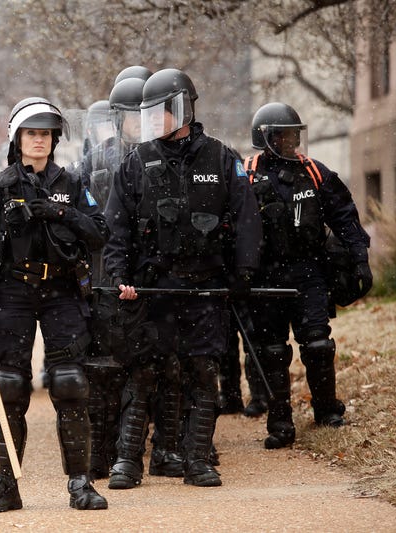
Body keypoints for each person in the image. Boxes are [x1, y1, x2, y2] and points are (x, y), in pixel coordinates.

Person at [104, 68, 263, 487]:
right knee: (144, 373)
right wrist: (119, 276)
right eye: (150, 112)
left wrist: (244, 272)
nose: (154, 120)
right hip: (152, 288)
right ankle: (128, 460)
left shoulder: (221, 158)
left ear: (183, 110)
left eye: (162, 111)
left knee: (202, 372)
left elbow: (246, 218)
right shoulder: (136, 163)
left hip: (204, 287)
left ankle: (197, 459)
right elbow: (116, 228)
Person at [0, 97, 109, 512]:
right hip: (13, 291)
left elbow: (99, 233)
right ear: (18, 138)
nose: (39, 140)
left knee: (70, 383)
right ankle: (7, 483)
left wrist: (61, 214)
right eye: (32, 133)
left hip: (62, 290)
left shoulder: (72, 184)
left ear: (54, 139)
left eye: (45, 134)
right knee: (9, 386)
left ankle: (80, 482)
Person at [243, 102, 371, 448]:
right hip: (265, 277)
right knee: (272, 351)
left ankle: (326, 410)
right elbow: (231, 225)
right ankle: (280, 423)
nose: (292, 142)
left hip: (308, 271)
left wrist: (360, 259)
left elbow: (344, 215)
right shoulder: (246, 174)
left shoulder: (314, 171)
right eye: (285, 136)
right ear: (267, 138)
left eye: (295, 135)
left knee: (317, 344)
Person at [78, 67, 152, 480]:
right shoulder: (95, 161)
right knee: (103, 370)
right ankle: (102, 452)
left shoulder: (167, 157)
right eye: (132, 115)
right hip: (104, 276)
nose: (139, 123)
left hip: (152, 276)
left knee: (154, 368)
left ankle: (147, 451)